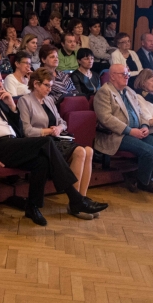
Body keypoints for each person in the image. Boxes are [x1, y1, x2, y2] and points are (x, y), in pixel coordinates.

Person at [0, 67, 108, 226]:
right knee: (47, 142)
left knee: (42, 161)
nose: (0, 84)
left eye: (1, 80)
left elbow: (20, 131)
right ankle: (75, 198)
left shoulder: (2, 102)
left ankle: (32, 206)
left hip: (13, 144)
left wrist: (12, 107)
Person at [18, 68, 96, 219]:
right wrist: (49, 131)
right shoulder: (24, 101)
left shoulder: (49, 100)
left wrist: (59, 127)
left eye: (51, 85)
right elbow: (27, 131)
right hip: (40, 144)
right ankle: (75, 204)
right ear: (36, 84)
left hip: (56, 139)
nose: (50, 89)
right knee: (80, 151)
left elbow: (62, 122)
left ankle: (82, 199)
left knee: (89, 151)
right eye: (47, 85)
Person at [94, 64, 153, 193]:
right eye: (123, 74)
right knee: (150, 152)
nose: (127, 76)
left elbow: (141, 114)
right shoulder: (104, 92)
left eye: (128, 74)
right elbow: (106, 119)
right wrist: (130, 131)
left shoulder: (130, 91)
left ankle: (135, 176)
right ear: (112, 76)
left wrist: (144, 126)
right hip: (117, 135)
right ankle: (144, 182)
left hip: (137, 131)